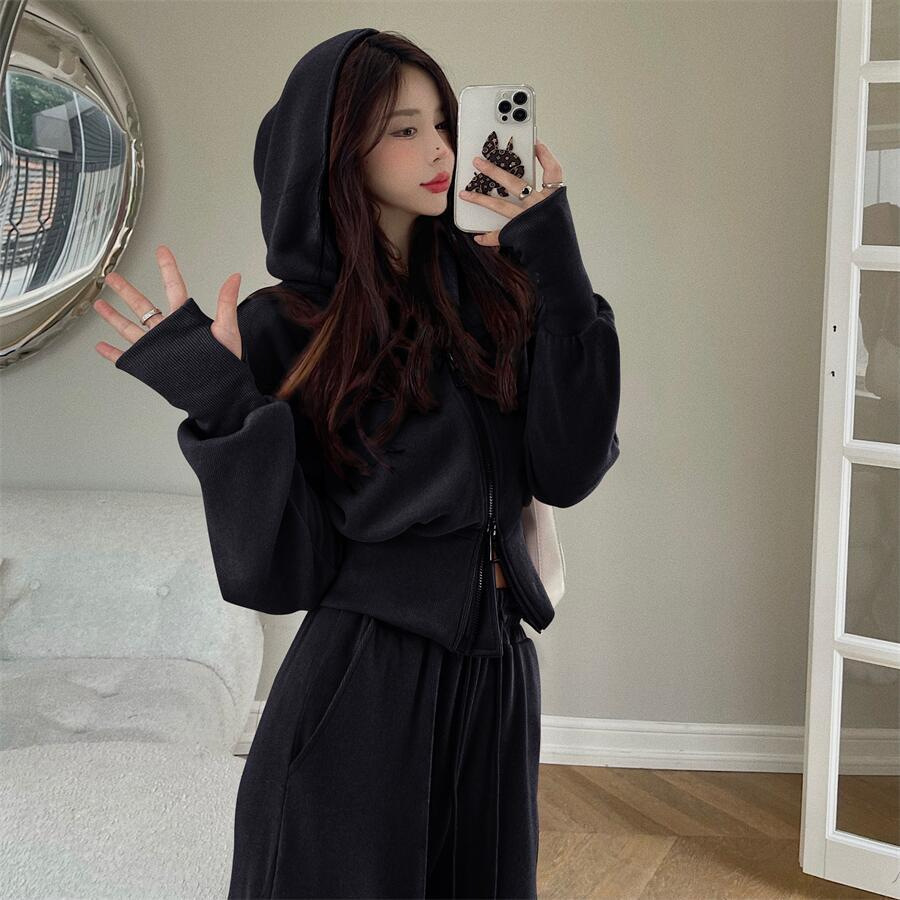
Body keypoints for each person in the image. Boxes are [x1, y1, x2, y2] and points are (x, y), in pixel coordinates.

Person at [92, 27, 621, 900]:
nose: (440, 149)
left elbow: (568, 470)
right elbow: (280, 574)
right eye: (403, 129)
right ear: (336, 149)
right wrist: (224, 405)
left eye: (443, 123)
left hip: (498, 673)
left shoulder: (502, 301)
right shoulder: (283, 327)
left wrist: (556, 262)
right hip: (362, 688)